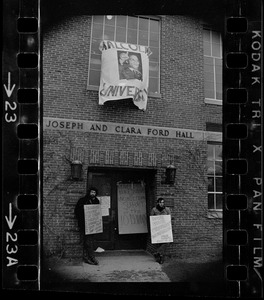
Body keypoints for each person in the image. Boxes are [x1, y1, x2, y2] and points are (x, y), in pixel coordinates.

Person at [74, 187, 100, 265]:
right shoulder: (82, 200)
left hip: (93, 225)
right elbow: (77, 211)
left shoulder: (96, 201)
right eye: (92, 192)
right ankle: (91, 257)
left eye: (94, 192)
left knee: (89, 241)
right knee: (87, 241)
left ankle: (87, 257)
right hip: (84, 224)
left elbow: (97, 212)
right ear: (89, 192)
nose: (93, 194)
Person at [150, 197, 171, 264]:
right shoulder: (154, 210)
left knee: (166, 242)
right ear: (158, 203)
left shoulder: (167, 209)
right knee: (159, 244)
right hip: (158, 229)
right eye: (161, 202)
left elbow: (169, 218)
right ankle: (160, 259)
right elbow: (151, 219)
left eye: (163, 202)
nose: (162, 204)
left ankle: (157, 252)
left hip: (165, 229)